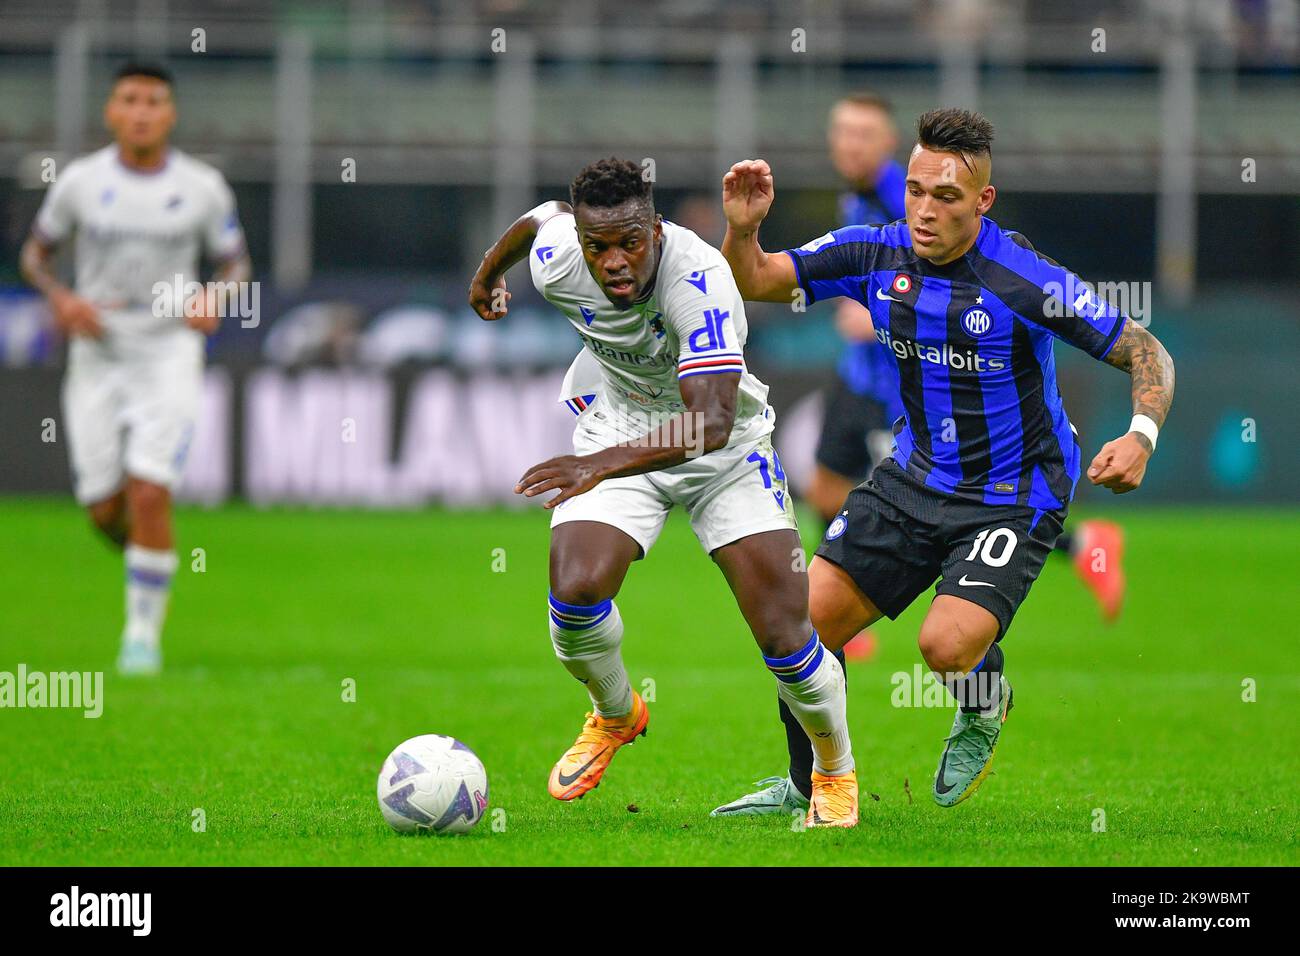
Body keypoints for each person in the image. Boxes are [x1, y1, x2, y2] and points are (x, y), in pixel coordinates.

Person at [713, 108, 1174, 814]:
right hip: (914, 477)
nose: (925, 211)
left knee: (945, 646)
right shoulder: (876, 252)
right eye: (917, 192)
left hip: (1015, 493)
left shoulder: (1023, 278)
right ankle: (807, 785)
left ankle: (985, 702)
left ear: (983, 201)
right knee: (801, 627)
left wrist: (1141, 433)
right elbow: (758, 279)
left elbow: (1145, 349)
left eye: (947, 198)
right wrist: (744, 229)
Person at [468, 158, 858, 826]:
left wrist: (596, 467)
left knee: (784, 633)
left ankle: (833, 770)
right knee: (575, 592)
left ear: (655, 228)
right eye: (598, 248)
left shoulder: (699, 278)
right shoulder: (563, 257)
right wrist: (486, 276)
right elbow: (539, 223)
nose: (614, 262)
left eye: (630, 243)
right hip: (620, 423)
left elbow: (707, 421)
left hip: (724, 447)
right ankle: (616, 713)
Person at [19, 62, 251, 675]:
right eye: (130, 100)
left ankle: (141, 639)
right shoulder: (79, 183)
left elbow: (235, 266)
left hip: (168, 349)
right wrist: (61, 300)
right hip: (97, 352)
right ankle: (152, 563)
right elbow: (35, 256)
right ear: (111, 112)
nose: (142, 111)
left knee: (149, 491)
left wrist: (214, 299)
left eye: (154, 101)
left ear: (170, 114)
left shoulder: (201, 186)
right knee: (103, 507)